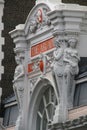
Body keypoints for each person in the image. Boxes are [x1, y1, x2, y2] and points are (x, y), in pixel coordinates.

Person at [63, 38, 80, 109]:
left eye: (74, 43)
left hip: (75, 66)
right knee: (68, 84)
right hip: (69, 66)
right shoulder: (66, 50)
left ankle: (70, 100)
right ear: (70, 43)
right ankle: (67, 101)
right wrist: (70, 62)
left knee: (72, 83)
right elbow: (64, 59)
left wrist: (75, 56)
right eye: (72, 43)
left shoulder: (76, 50)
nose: (74, 44)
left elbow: (79, 59)